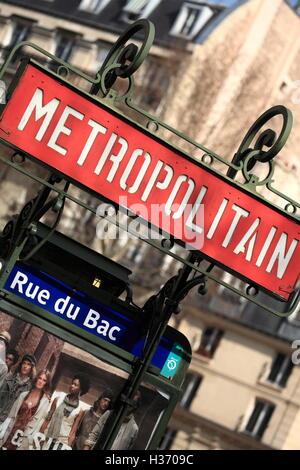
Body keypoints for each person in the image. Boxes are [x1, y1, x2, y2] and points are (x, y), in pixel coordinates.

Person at [0, 369, 51, 450]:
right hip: (11, 432)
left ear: (46, 384)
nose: (41, 381)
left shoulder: (45, 403)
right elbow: (11, 415)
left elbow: (37, 425)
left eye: (44, 380)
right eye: (40, 378)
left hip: (24, 437)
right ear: (36, 379)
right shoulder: (23, 395)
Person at [40, 374, 90, 449]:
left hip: (61, 443)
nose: (72, 386)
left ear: (81, 389)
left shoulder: (80, 409)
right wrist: (40, 433)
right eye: (72, 383)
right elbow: (48, 418)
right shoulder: (58, 399)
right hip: (47, 436)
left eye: (75, 385)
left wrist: (68, 446)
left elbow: (73, 431)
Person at [0, 354, 36, 423]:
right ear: (21, 365)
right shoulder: (9, 379)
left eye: (28, 364)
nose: (25, 366)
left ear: (31, 368)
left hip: (10, 422)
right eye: (24, 363)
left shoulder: (29, 388)